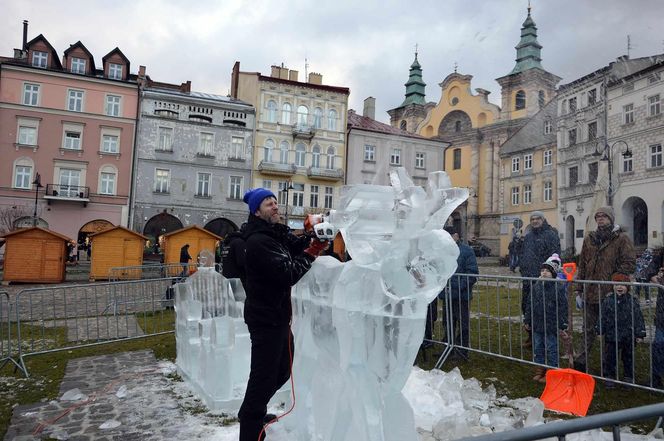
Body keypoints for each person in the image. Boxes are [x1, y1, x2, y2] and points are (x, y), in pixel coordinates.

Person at [238, 188, 327, 441]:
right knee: (263, 376)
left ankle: (254, 411)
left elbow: (293, 243)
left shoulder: (273, 233)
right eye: (268, 204)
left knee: (282, 372)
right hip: (266, 319)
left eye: (276, 202)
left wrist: (311, 234)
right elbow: (289, 272)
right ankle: (250, 424)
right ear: (257, 211)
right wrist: (314, 251)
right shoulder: (259, 241)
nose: (275, 207)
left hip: (277, 317)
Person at [574, 207, 636, 373]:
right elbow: (582, 264)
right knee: (587, 329)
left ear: (611, 219)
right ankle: (581, 361)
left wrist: (614, 281)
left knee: (608, 331)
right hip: (590, 292)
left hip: (609, 293)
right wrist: (579, 288)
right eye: (598, 216)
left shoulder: (621, 239)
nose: (600, 219)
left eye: (604, 216)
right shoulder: (590, 239)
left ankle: (607, 366)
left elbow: (629, 263)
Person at [523, 254, 569, 382]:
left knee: (551, 347)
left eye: (547, 271)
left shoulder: (558, 288)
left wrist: (563, 323)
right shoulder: (536, 286)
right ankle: (540, 369)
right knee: (538, 347)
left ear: (553, 273)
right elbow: (529, 304)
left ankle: (551, 370)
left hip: (551, 324)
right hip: (538, 323)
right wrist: (528, 319)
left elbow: (562, 306)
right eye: (542, 270)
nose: (544, 273)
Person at [519, 211, 561, 347]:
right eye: (532, 219)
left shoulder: (551, 235)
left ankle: (546, 340)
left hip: (544, 279)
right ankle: (531, 336)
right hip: (528, 278)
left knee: (544, 310)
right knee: (527, 307)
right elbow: (523, 254)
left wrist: (547, 273)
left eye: (537, 218)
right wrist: (523, 268)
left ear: (543, 220)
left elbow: (555, 256)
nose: (535, 221)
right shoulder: (529, 236)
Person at [438, 225, 479, 360]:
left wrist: (457, 287)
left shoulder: (466, 251)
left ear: (456, 236)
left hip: (461, 296)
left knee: (463, 325)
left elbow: (472, 273)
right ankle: (448, 348)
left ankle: (462, 351)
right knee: (447, 323)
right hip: (447, 294)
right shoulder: (443, 251)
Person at [599, 273, 646, 387]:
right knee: (610, 357)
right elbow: (602, 317)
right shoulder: (608, 301)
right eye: (617, 284)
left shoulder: (632, 301)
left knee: (628, 357)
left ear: (627, 287)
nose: (619, 287)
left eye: (623, 285)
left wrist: (640, 333)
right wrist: (600, 330)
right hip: (612, 335)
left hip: (628, 336)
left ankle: (628, 377)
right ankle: (610, 376)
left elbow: (638, 317)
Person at [649, 263, 664, 388]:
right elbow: (648, 272)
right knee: (658, 345)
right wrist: (656, 277)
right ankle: (656, 378)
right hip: (662, 315)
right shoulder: (660, 255)